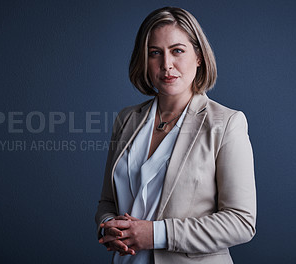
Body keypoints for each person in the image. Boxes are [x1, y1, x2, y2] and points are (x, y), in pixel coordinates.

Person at [95, 6, 256, 264]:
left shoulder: (226, 124)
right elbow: (107, 201)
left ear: (199, 56)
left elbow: (241, 222)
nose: (166, 65)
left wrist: (156, 234)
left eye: (177, 51)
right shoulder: (126, 119)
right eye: (155, 53)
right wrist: (108, 225)